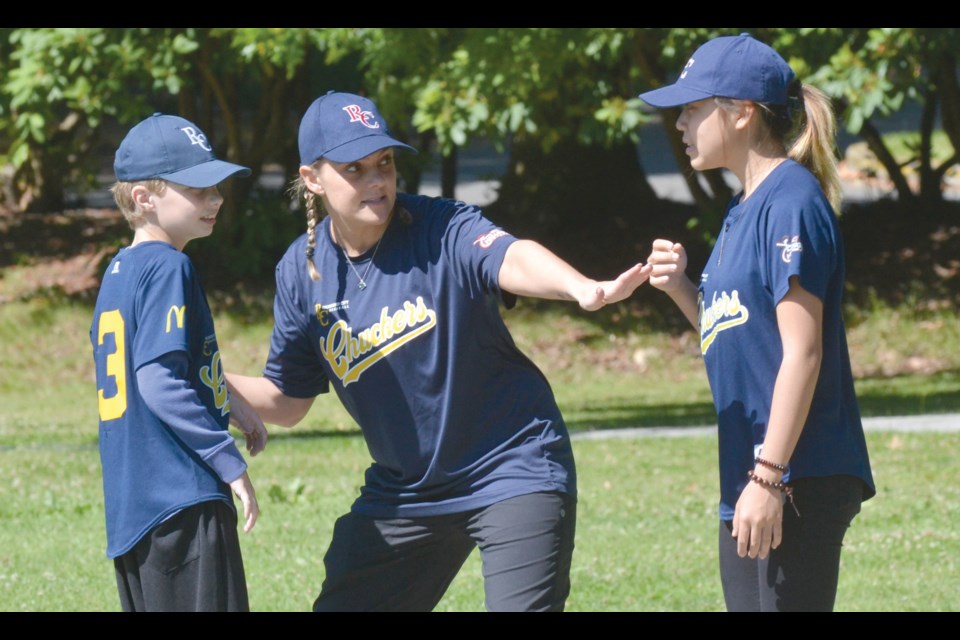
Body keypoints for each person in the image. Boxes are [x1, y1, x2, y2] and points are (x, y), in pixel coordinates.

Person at [226, 90, 651, 612]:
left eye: (384, 163)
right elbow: (286, 401)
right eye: (354, 168)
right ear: (312, 178)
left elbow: (509, 256)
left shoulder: (440, 226)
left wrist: (579, 286)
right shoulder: (301, 271)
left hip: (510, 466)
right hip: (407, 492)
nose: (377, 180)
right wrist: (204, 377)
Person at [638, 34, 876, 611]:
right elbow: (734, 335)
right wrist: (681, 290)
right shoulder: (742, 209)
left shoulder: (790, 199)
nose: (680, 124)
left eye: (692, 109)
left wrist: (770, 477)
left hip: (797, 473)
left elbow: (803, 352)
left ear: (742, 113)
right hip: (753, 475)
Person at [90, 113, 268, 612]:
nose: (216, 198)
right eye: (198, 187)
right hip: (182, 496)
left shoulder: (120, 270)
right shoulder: (171, 266)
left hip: (134, 507)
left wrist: (233, 405)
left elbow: (164, 363)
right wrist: (227, 461)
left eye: (216, 186)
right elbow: (159, 381)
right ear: (145, 198)